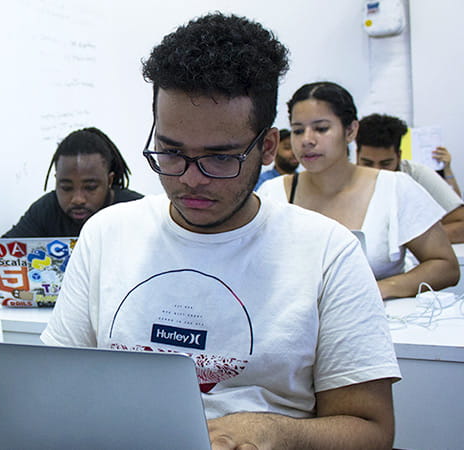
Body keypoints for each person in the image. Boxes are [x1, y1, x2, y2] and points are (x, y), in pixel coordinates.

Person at [42, 13, 401, 449]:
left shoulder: (327, 252)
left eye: (220, 158)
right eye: (171, 153)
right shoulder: (107, 234)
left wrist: (277, 431)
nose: (191, 179)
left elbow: (372, 431)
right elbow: (57, 385)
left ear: (267, 148)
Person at [259, 82, 458, 299]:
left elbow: (445, 266)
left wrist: (377, 290)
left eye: (321, 128)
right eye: (298, 130)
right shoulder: (273, 194)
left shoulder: (394, 187)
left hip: (381, 323)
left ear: (350, 130)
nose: (307, 140)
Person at [0, 127, 143, 285]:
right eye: (66, 188)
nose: (77, 199)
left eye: (90, 187)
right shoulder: (46, 210)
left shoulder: (136, 211)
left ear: (110, 181)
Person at [356, 113, 464, 243]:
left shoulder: (416, 174)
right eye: (367, 163)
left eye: (386, 164)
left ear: (399, 156)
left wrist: (407, 244)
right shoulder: (342, 177)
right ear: (357, 155)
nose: (377, 171)